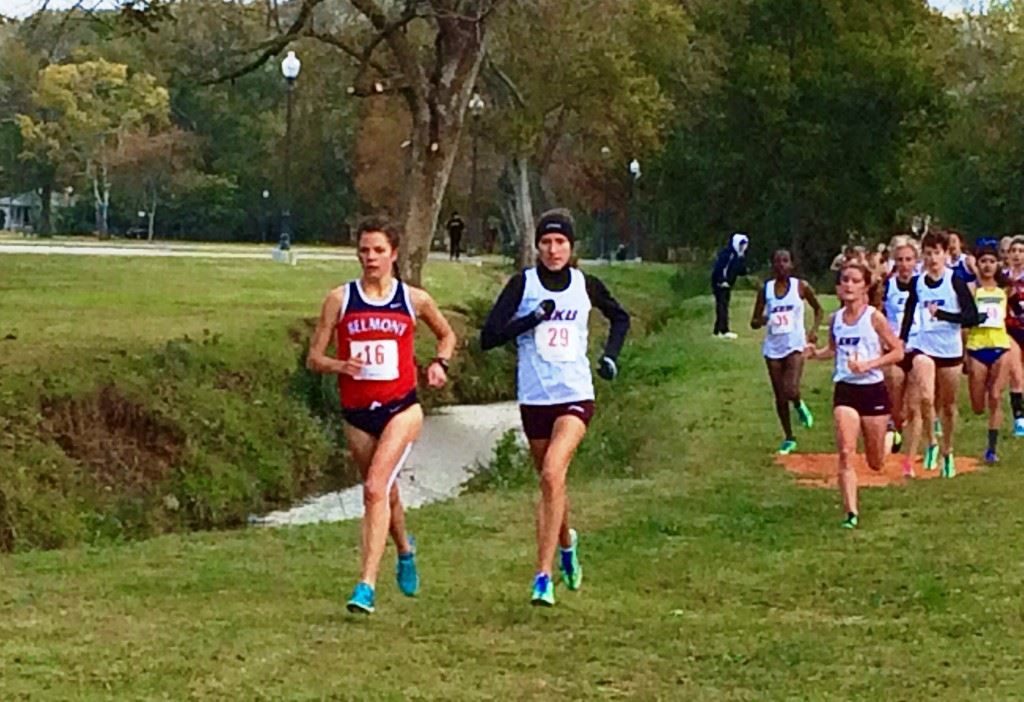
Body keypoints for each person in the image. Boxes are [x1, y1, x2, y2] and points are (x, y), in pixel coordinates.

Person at [306, 216, 457, 615]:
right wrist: (341, 366)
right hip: (357, 414)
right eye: (364, 250)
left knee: (373, 488)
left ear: (393, 254)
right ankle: (405, 549)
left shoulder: (413, 299)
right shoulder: (340, 299)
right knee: (384, 491)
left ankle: (365, 586)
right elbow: (314, 357)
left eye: (378, 250)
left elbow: (447, 334)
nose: (370, 258)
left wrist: (439, 363)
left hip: (401, 408)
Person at [480, 208, 630, 607]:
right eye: (546, 242)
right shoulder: (522, 285)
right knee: (552, 484)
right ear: (537, 246)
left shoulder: (585, 285)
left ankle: (542, 577)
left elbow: (620, 318)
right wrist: (529, 320)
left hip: (575, 394)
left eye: (560, 242)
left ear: (571, 246)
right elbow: (488, 337)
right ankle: (567, 543)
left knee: (551, 474)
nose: (553, 249)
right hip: (534, 398)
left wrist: (611, 356)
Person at [805, 261, 903, 529]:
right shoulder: (836, 319)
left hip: (873, 390)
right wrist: (815, 354)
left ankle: (890, 437)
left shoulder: (874, 318)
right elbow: (833, 350)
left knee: (876, 463)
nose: (849, 285)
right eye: (844, 280)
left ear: (865, 287)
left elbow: (897, 351)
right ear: (838, 288)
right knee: (846, 452)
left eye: (855, 281)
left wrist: (869, 365)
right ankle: (851, 512)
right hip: (846, 390)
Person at [899, 230, 980, 479]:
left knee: (948, 405)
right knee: (925, 396)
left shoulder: (954, 281)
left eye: (937, 253)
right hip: (925, 346)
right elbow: (910, 312)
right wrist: (902, 341)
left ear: (946, 254)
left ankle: (948, 450)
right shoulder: (918, 283)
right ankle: (931, 441)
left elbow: (972, 316)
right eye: (929, 253)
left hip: (950, 349)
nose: (933, 259)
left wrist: (943, 315)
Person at [750, 249, 823, 454]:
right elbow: (754, 322)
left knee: (790, 388)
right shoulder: (766, 290)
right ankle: (789, 437)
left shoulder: (801, 287)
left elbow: (818, 309)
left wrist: (814, 331)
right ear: (773, 265)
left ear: (791, 264)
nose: (781, 265)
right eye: (777, 261)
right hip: (773, 347)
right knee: (780, 395)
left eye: (785, 261)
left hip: (794, 344)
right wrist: (763, 319)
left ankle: (799, 406)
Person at [965, 242, 1012, 464]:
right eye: (983, 261)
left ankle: (992, 449)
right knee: (977, 406)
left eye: (991, 262)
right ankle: (980, 403)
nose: (987, 266)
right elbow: (964, 321)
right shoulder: (971, 289)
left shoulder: (1005, 289)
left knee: (995, 396)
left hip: (1000, 346)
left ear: (997, 265)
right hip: (977, 347)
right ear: (977, 263)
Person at [878, 237, 919, 467]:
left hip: (918, 346)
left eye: (909, 259)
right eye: (900, 259)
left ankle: (908, 452)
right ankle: (893, 425)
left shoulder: (922, 284)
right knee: (894, 381)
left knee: (912, 402)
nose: (904, 264)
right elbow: (878, 313)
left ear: (916, 261)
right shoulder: (888, 285)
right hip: (895, 346)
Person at [1003, 235, 1024, 436]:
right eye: (1014, 251)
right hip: (1011, 329)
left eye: (1021, 251)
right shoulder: (1003, 277)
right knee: (1016, 373)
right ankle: (1019, 418)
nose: (1017, 255)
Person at [711, 232, 749, 339]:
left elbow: (741, 271)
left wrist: (742, 260)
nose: (743, 247)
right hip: (720, 283)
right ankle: (723, 330)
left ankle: (718, 330)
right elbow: (721, 268)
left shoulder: (738, 255)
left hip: (727, 284)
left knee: (724, 305)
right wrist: (722, 280)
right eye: (741, 244)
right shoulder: (728, 254)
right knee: (722, 306)